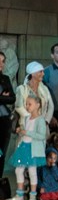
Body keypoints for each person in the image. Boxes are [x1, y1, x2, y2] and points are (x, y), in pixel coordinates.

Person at [9, 95, 47, 200]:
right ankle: (20, 194)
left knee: (32, 171)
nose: (27, 106)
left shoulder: (40, 120)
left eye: (30, 104)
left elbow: (42, 136)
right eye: (26, 104)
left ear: (37, 105)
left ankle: (33, 195)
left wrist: (27, 132)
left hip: (33, 148)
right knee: (18, 170)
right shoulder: (26, 118)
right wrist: (21, 131)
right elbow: (26, 132)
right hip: (24, 146)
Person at [15, 61, 54, 129]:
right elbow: (19, 107)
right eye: (40, 71)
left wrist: (46, 121)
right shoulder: (21, 89)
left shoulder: (44, 89)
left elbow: (51, 106)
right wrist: (34, 120)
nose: (43, 74)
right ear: (33, 74)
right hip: (26, 125)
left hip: (42, 126)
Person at [0, 51, 16, 179]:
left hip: (4, 120)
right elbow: (7, 98)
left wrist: (3, 97)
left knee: (1, 153)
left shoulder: (5, 78)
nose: (1, 64)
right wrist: (3, 97)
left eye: (3, 61)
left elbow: (12, 98)